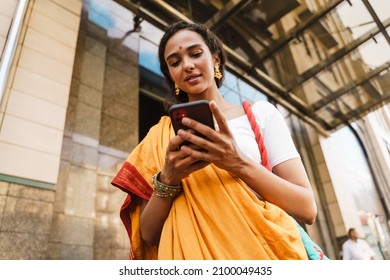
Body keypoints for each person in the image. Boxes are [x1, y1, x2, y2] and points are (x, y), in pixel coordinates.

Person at [111, 21, 318, 260]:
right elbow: (148, 234)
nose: (187, 65)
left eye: (196, 54)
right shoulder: (163, 136)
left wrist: (237, 162)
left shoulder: (260, 115)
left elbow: (307, 209)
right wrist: (169, 177)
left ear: (216, 60)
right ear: (171, 75)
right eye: (175, 62)